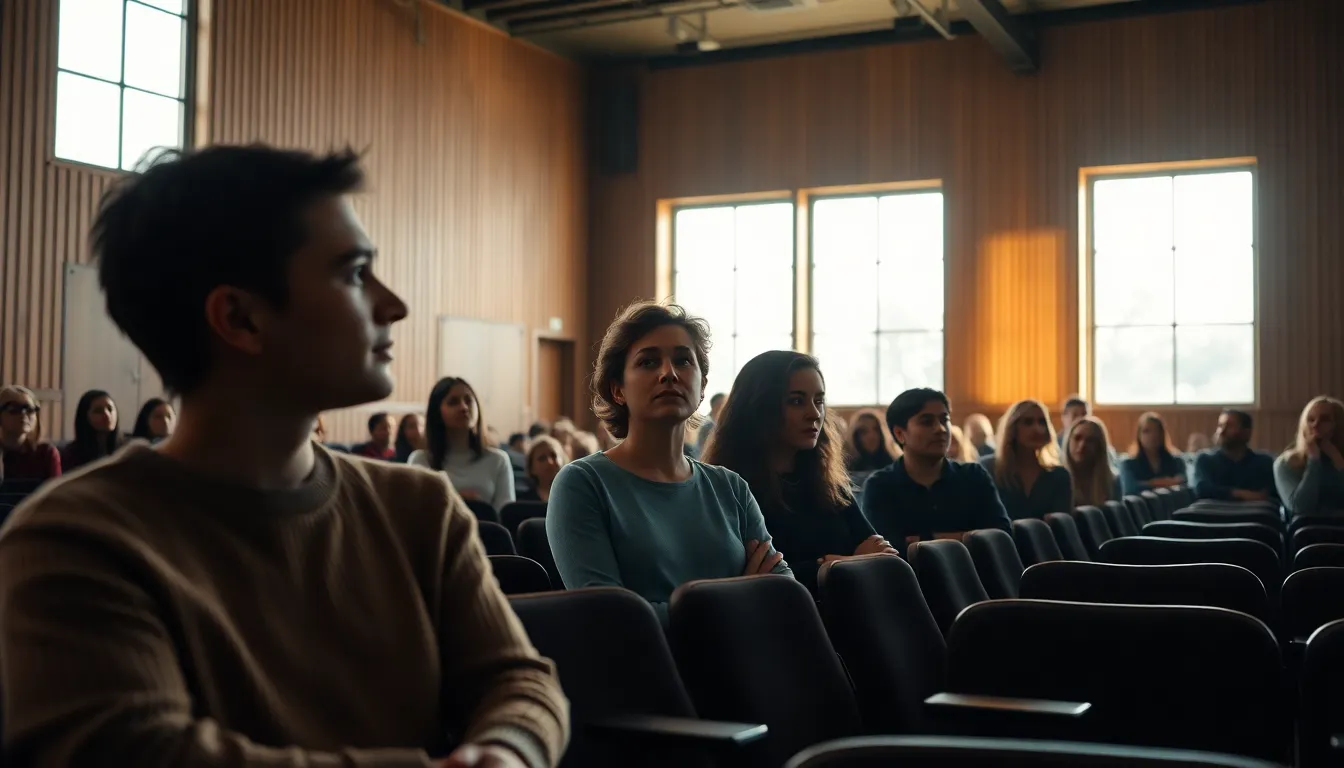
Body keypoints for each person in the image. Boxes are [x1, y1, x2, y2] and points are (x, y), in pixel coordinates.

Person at [0, 146, 567, 767]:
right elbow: (143, 752)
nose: (393, 305)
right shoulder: (74, 540)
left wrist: (510, 751)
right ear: (241, 317)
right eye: (354, 273)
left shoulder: (420, 506)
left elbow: (519, 681)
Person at [546, 301, 791, 625]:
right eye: (648, 362)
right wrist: (742, 597)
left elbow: (784, 596)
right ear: (618, 389)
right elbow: (611, 620)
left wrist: (680, 610)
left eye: (682, 360)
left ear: (702, 386)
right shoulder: (582, 484)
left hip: (746, 670)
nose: (669, 373)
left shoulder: (729, 487)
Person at [702, 351, 893, 596]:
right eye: (796, 401)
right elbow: (762, 582)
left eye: (819, 401)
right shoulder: (731, 489)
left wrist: (825, 566)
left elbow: (880, 555)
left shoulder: (829, 485)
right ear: (759, 407)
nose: (814, 414)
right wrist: (842, 563)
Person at [862, 388, 1010, 546]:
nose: (940, 429)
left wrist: (928, 540)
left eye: (944, 420)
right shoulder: (881, 486)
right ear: (899, 433)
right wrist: (966, 538)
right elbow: (889, 552)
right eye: (927, 422)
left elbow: (1002, 538)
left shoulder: (973, 476)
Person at [410, 377, 516, 511]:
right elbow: (414, 514)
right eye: (453, 402)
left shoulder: (498, 460)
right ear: (436, 412)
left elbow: (505, 517)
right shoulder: (420, 460)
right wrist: (456, 500)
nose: (464, 407)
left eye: (468, 400)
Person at [981, 399, 1073, 520]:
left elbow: (1062, 526)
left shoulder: (1058, 476)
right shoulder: (989, 469)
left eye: (1042, 422)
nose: (1037, 429)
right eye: (1028, 422)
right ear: (1012, 428)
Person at [1274, 396, 1344, 518]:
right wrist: (1314, 460)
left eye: (1325, 419)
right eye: (1310, 419)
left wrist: (1337, 460)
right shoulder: (1287, 462)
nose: (1315, 425)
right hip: (1307, 534)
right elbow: (1300, 507)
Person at [1193, 409, 1277, 502]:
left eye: (1229, 426)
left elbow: (1270, 494)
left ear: (1246, 433)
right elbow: (1202, 490)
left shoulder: (1264, 462)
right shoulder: (1205, 459)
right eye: (1220, 426)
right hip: (1213, 515)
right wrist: (1240, 493)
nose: (1222, 431)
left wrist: (1222, 493)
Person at [0, 385, 61, 486]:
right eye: (13, 409)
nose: (23, 415)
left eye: (29, 409)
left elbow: (55, 496)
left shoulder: (45, 453)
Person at [1118, 412, 1187, 495]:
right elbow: (1130, 488)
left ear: (1163, 434)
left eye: (1157, 430)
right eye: (1146, 431)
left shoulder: (1177, 461)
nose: (1152, 435)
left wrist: (1146, 484)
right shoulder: (1128, 464)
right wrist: (1165, 482)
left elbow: (1184, 484)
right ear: (1139, 436)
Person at [60, 389, 126, 473]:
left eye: (110, 409)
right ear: (84, 416)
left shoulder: (127, 449)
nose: (107, 415)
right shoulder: (71, 455)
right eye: (98, 411)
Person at [1062, 416, 1120, 507]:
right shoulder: (1056, 480)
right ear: (1068, 440)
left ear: (1100, 446)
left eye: (1090, 440)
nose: (1082, 445)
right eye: (1077, 438)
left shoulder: (1112, 482)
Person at [845, 408, 900, 473]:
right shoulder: (847, 466)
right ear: (856, 436)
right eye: (864, 431)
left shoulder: (894, 465)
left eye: (876, 429)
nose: (871, 436)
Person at [517, 435, 567, 503]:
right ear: (531, 468)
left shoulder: (574, 497)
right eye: (542, 458)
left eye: (553, 455)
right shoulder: (523, 502)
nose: (549, 462)